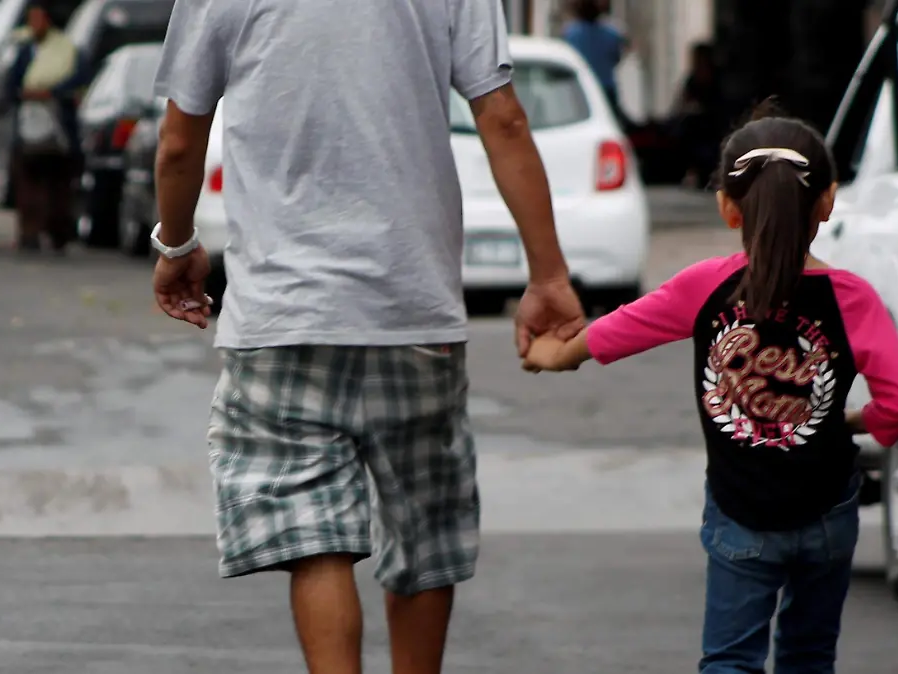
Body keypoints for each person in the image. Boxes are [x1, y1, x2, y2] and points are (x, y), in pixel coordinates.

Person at [150, 0, 585, 672]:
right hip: (413, 308)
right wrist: (548, 275)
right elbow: (502, 118)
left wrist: (176, 244)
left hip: (281, 317)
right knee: (424, 532)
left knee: (316, 540)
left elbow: (180, 141)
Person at [521, 102, 898, 674]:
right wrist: (857, 421)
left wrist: (551, 354)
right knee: (809, 656)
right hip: (828, 517)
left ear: (728, 208)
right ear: (828, 201)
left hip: (742, 519)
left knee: (731, 660)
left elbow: (612, 333)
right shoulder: (852, 298)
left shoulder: (705, 286)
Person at [6, 0, 84, 253]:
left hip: (60, 131)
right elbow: (12, 85)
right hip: (28, 131)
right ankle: (30, 233)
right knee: (28, 184)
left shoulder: (67, 49)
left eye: (37, 19)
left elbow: (78, 80)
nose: (33, 25)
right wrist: (25, 94)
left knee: (59, 186)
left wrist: (51, 93)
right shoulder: (24, 50)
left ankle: (57, 233)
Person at [561, 0, 628, 125]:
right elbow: (617, 57)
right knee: (611, 123)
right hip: (606, 88)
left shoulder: (570, 34)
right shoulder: (612, 34)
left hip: (580, 89)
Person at [671, 42, 725, 188]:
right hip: (694, 127)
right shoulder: (691, 82)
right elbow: (682, 105)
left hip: (713, 128)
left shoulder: (718, 81)